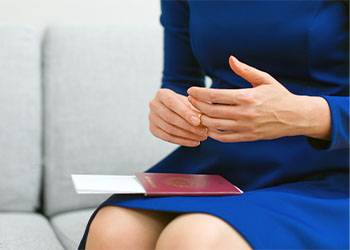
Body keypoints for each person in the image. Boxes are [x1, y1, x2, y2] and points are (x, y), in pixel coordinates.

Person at [79, 0, 349, 249]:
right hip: (223, 168)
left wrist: (306, 114)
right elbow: (179, 81)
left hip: (334, 172)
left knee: (195, 238)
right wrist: (171, 111)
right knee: (113, 230)